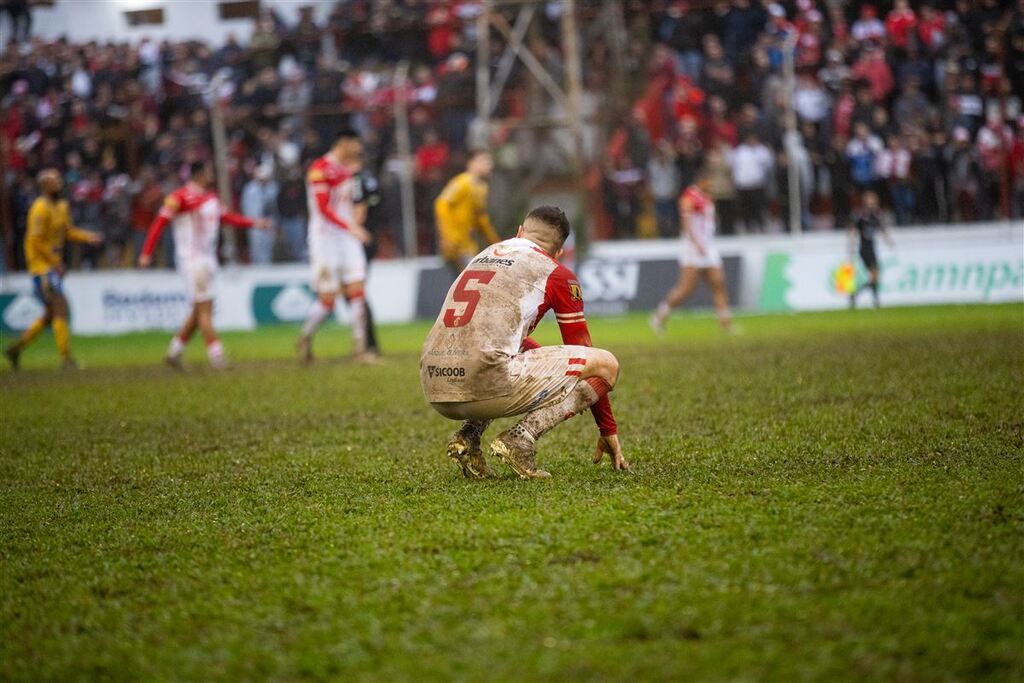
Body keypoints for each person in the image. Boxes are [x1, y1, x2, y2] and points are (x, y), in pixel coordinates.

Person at [420, 206, 627, 480]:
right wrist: (607, 428)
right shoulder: (556, 271)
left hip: (434, 385)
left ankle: (469, 436)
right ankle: (522, 438)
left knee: (520, 350)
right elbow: (587, 355)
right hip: (483, 386)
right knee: (607, 364)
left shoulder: (484, 254)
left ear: (519, 232)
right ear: (558, 252)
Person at [138, 161, 269, 369]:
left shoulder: (210, 199)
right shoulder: (178, 197)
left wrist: (253, 223)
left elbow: (226, 218)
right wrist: (146, 252)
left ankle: (174, 353)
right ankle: (217, 356)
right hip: (191, 261)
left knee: (198, 311)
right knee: (205, 309)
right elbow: (159, 223)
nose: (211, 175)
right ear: (200, 174)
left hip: (208, 260)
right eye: (208, 171)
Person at [4, 169, 103, 370]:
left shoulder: (61, 206)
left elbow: (67, 231)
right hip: (41, 268)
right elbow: (34, 239)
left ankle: (15, 349)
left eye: (59, 179)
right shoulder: (39, 208)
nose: (59, 183)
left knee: (51, 314)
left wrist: (88, 237)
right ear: (45, 186)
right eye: (54, 181)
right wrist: (54, 261)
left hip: (52, 267)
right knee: (60, 306)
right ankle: (66, 359)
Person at [296, 129, 374, 364]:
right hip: (325, 239)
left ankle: (360, 350)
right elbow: (323, 209)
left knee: (358, 292)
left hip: (347, 239)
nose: (359, 149)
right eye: (355, 144)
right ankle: (305, 338)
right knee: (327, 300)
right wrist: (351, 227)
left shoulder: (347, 172)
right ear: (344, 143)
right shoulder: (319, 169)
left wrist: (352, 226)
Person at [650, 167, 732, 334]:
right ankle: (659, 316)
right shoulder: (689, 197)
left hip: (709, 247)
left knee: (719, 283)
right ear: (700, 180)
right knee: (686, 289)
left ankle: (726, 324)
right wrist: (696, 243)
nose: (711, 185)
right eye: (708, 181)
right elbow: (686, 223)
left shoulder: (706, 196)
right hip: (693, 248)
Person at [433, 150, 500, 275]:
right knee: (470, 279)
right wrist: (449, 236)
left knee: (467, 280)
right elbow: (441, 204)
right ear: (472, 163)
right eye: (485, 160)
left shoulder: (482, 188)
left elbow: (481, 218)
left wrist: (495, 242)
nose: (490, 164)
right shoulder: (462, 182)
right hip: (455, 243)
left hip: (467, 243)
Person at [352, 166, 383, 356]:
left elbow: (360, 210)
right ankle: (366, 342)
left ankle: (368, 343)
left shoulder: (355, 181)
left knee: (356, 293)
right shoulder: (368, 178)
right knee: (356, 294)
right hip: (367, 238)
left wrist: (352, 229)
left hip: (359, 241)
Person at [848, 190, 894, 309]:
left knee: (875, 277)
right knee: (875, 274)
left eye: (874, 200)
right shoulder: (859, 215)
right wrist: (851, 247)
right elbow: (852, 231)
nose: (873, 203)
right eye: (870, 200)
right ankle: (871, 299)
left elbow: (882, 229)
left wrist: (888, 241)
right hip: (864, 249)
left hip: (872, 248)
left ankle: (864, 297)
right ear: (865, 202)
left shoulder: (876, 216)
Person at [241, 164, 279, 264]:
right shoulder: (250, 189)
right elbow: (245, 206)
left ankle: (267, 268)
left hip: (269, 221)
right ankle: (256, 268)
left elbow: (275, 206)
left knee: (268, 247)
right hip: (255, 222)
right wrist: (250, 221)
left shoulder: (273, 188)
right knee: (256, 248)